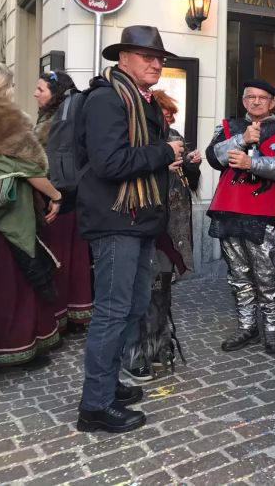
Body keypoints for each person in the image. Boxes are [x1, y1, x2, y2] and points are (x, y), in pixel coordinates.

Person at [74, 26, 185, 433]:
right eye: (146, 56)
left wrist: (165, 158)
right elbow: (109, 163)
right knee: (113, 311)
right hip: (115, 220)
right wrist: (163, 152)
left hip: (137, 220)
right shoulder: (107, 99)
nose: (156, 63)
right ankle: (95, 406)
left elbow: (132, 158)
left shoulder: (142, 102)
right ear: (123, 59)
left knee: (134, 307)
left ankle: (107, 384)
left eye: (159, 58)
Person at [206, 79, 275, 354]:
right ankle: (247, 327)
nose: (256, 102)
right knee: (238, 275)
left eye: (263, 97)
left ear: (272, 103)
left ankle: (272, 330)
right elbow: (213, 157)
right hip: (228, 209)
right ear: (244, 101)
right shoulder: (228, 127)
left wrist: (252, 163)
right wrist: (242, 139)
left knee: (267, 275)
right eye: (251, 97)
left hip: (263, 214)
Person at [0, 62, 63, 379]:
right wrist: (55, 195)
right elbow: (29, 171)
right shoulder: (4, 119)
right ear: (7, 88)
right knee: (4, 282)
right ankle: (9, 350)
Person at [121, 89, 201, 382]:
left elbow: (189, 185)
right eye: (163, 113)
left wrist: (193, 167)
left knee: (160, 293)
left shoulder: (175, 135)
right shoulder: (138, 138)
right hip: (146, 229)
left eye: (170, 114)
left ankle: (158, 348)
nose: (168, 118)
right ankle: (135, 355)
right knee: (140, 296)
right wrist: (160, 166)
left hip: (171, 233)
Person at [33, 69, 94, 331]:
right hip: (60, 198)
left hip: (60, 200)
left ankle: (63, 316)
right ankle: (70, 315)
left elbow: (54, 163)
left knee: (62, 260)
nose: (35, 93)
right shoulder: (53, 116)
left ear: (54, 93)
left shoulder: (59, 119)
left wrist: (55, 196)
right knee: (67, 260)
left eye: (41, 89)